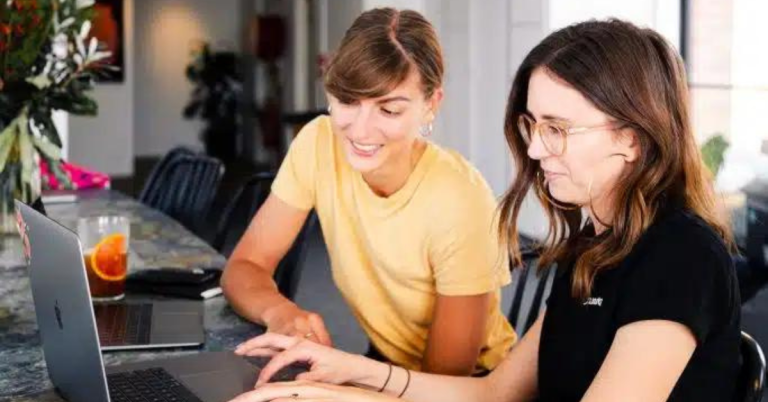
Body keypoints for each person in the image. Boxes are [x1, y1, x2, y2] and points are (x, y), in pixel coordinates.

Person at [228, 18, 741, 402]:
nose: (534, 150)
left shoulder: (681, 256)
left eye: (557, 129)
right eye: (532, 125)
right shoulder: (595, 245)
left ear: (631, 138)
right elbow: (494, 393)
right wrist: (348, 374)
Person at [220, 7, 516, 376]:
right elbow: (244, 266)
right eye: (348, 101)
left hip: (470, 384)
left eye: (388, 110)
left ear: (430, 106)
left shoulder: (460, 199)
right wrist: (280, 312)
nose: (360, 131)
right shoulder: (318, 142)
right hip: (386, 362)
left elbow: (445, 383)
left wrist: (350, 378)